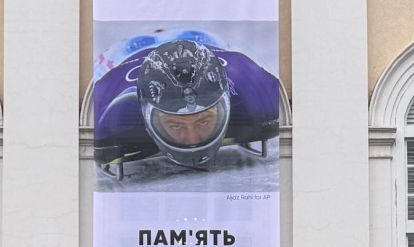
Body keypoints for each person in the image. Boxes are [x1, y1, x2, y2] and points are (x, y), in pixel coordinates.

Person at [94, 37, 279, 177]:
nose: (192, 140)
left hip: (204, 40)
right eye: (176, 125)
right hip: (129, 51)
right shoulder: (110, 105)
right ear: (147, 115)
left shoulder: (253, 89)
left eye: (204, 120)